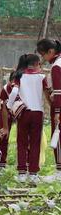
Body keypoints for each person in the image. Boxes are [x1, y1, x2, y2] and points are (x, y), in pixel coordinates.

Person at [7, 53, 50, 184]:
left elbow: (14, 92)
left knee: (22, 142)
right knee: (35, 143)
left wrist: (9, 106)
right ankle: (33, 173)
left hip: (24, 112)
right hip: (38, 112)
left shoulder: (19, 75)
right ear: (37, 64)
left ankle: (21, 173)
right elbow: (47, 92)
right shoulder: (42, 77)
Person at [37, 38, 61, 181]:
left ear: (51, 52)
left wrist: (57, 112)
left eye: (43, 54)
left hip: (59, 106)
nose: (42, 57)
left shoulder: (56, 67)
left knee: (58, 138)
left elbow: (58, 92)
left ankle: (59, 172)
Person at [0, 72, 15, 168]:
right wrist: (5, 127)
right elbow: (4, 109)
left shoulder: (24, 89)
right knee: (3, 134)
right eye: (11, 83)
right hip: (7, 112)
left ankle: (26, 164)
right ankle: (1, 163)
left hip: (22, 112)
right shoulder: (6, 89)